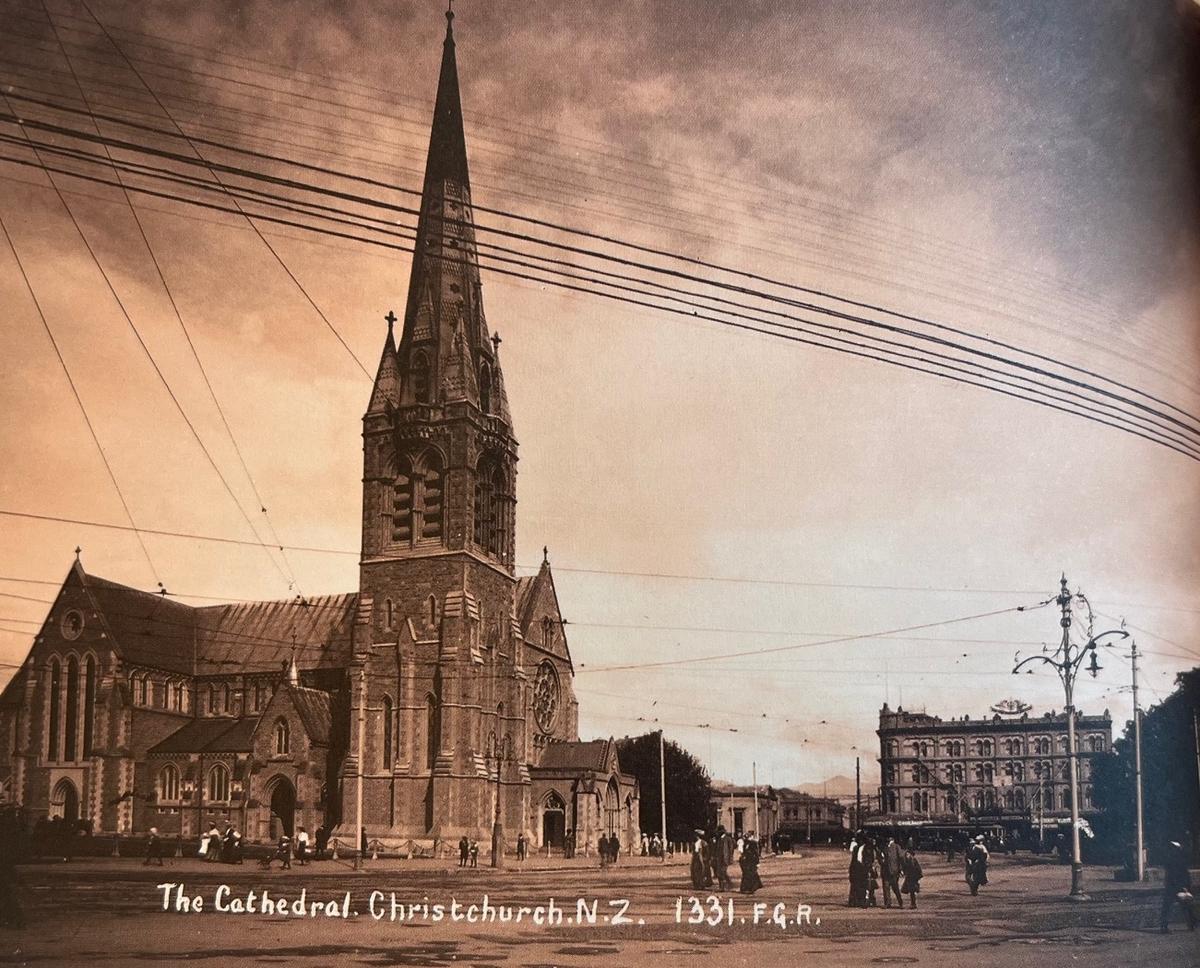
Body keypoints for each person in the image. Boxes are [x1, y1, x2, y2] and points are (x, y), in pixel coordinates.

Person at [1160, 841, 1197, 933]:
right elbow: (1184, 874)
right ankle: (1192, 923)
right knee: (1185, 906)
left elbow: (1175, 874)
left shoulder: (1170, 859)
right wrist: (1186, 886)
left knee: (1168, 907)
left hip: (1173, 886)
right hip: (1177, 885)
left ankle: (1164, 926)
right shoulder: (1180, 859)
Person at [881, 835, 903, 909]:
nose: (888, 841)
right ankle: (887, 903)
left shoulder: (897, 847)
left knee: (895, 888)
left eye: (890, 840)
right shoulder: (885, 847)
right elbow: (882, 858)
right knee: (886, 887)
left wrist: (901, 869)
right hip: (886, 871)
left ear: (892, 839)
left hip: (894, 871)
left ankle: (900, 902)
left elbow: (901, 858)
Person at [901, 841, 923, 909]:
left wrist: (916, 877)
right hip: (911, 877)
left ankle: (913, 904)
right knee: (911, 892)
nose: (906, 855)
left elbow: (917, 869)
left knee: (912, 892)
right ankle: (913, 904)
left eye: (907, 854)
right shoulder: (910, 860)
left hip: (912, 878)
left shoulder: (913, 860)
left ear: (910, 854)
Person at [713, 826, 734, 892]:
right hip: (719, 859)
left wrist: (730, 858)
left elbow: (731, 849)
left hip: (725, 859)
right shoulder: (718, 839)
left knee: (723, 872)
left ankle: (727, 885)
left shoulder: (728, 839)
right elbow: (716, 849)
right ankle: (722, 886)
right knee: (719, 872)